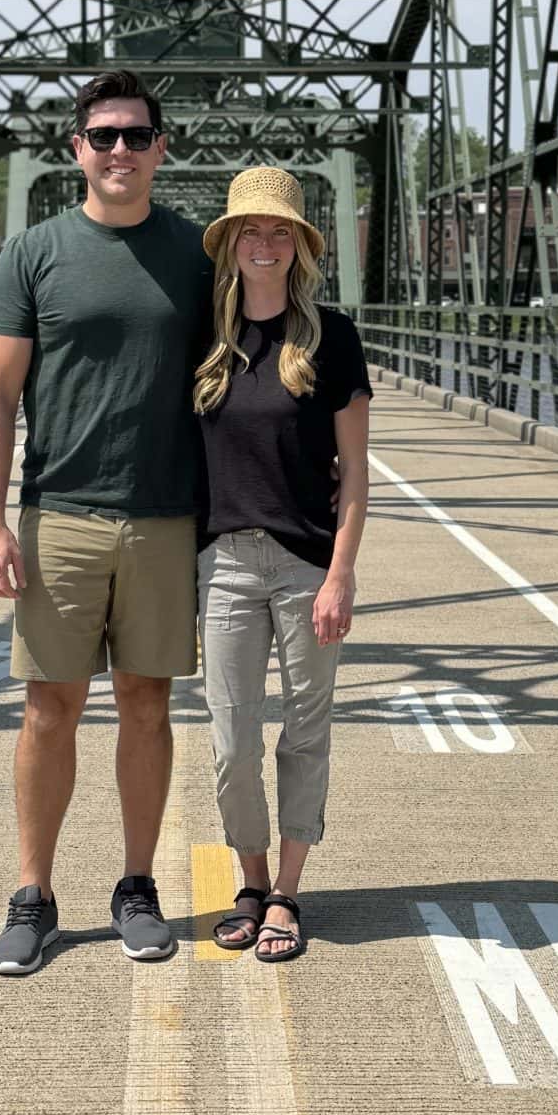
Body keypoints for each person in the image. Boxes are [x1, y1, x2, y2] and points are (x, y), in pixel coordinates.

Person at [0, 69, 213, 976]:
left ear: (161, 149)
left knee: (148, 705)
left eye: (136, 136)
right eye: (103, 135)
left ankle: (137, 887)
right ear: (76, 149)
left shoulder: (198, 254)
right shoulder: (33, 254)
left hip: (165, 518)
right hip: (61, 514)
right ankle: (32, 896)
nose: (119, 150)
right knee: (49, 709)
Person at [194, 166, 370, 964]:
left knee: (304, 734)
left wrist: (341, 576)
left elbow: (355, 474)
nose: (263, 245)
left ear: (299, 248)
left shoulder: (333, 337)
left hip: (306, 565)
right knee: (232, 742)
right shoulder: (205, 340)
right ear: (230, 244)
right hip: (226, 563)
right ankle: (251, 880)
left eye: (279, 232)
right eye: (250, 231)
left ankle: (286, 895)